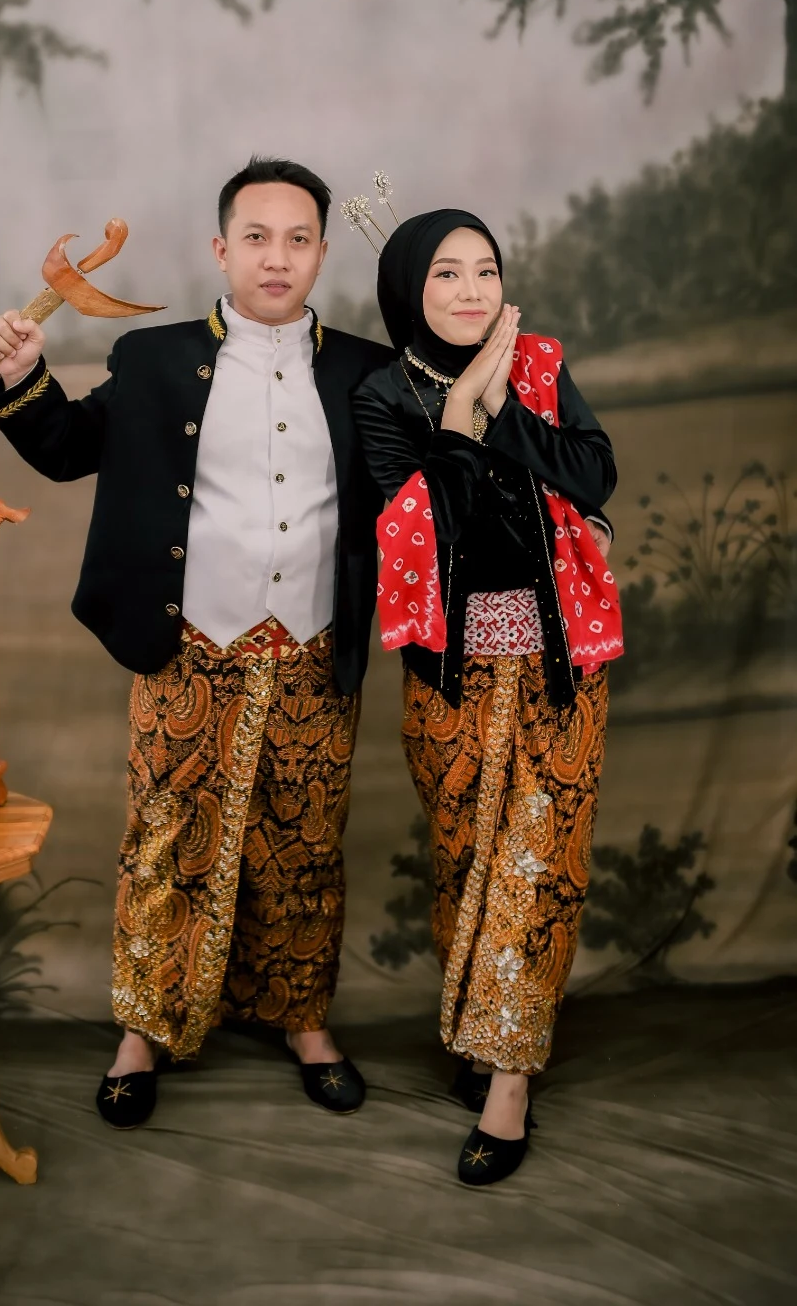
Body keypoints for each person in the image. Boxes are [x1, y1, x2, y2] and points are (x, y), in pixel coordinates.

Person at [0, 157, 392, 1128]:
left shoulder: (365, 371)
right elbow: (67, 448)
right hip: (187, 649)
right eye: (257, 237)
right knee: (163, 841)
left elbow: (413, 490)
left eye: (297, 239)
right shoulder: (154, 359)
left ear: (320, 253)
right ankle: (142, 1030)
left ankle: (303, 1019)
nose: (277, 257)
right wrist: (21, 374)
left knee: (304, 841)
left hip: (314, 651)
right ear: (221, 248)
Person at [351, 208, 622, 1187]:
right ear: (407, 291)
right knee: (466, 860)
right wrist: (463, 406)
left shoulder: (539, 365)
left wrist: (505, 406)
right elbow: (415, 532)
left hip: (556, 664)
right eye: (445, 274)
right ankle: (479, 1027)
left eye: (485, 270)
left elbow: (595, 472)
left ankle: (510, 1079)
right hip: (451, 673)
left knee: (536, 866)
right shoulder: (383, 396)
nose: (470, 290)